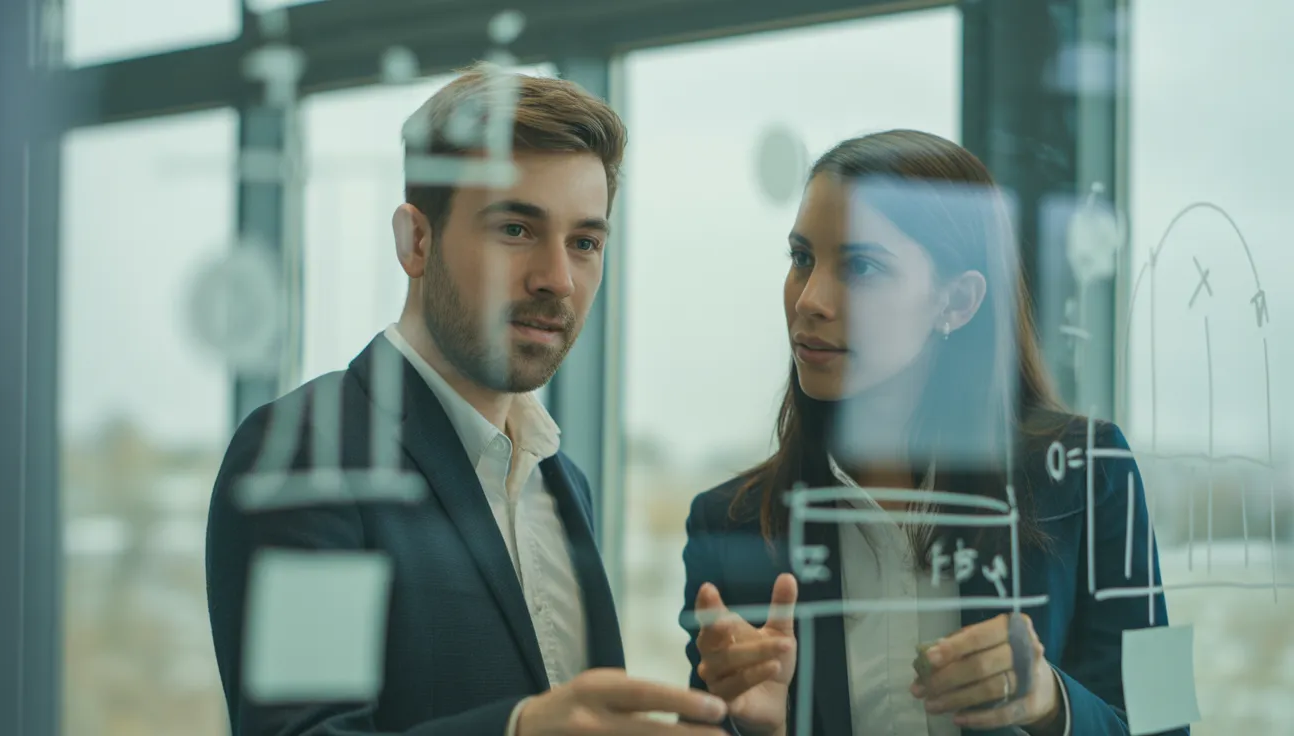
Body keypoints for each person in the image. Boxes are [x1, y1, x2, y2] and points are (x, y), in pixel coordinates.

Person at [207, 64, 728, 736]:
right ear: (415, 241)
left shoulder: (561, 481)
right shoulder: (314, 453)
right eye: (516, 229)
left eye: (585, 242)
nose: (558, 280)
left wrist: (737, 711)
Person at [680, 130, 1186, 736]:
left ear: (959, 300)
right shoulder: (726, 524)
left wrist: (1054, 701)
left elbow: (1169, 717)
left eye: (861, 266)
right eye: (801, 258)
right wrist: (759, 732)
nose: (809, 300)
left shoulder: (1097, 471)